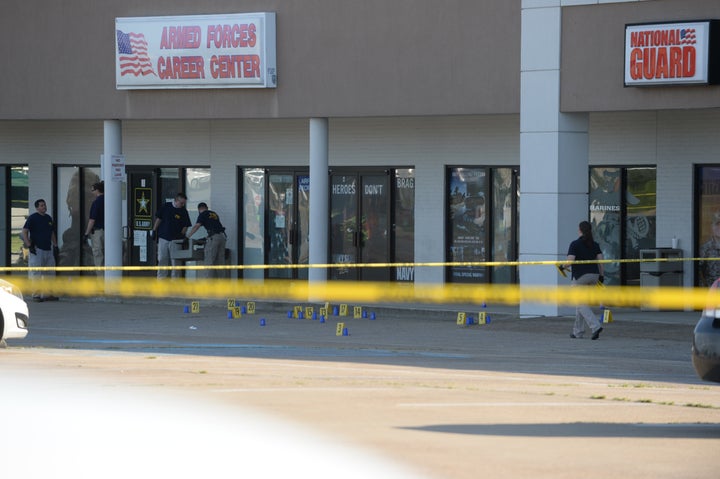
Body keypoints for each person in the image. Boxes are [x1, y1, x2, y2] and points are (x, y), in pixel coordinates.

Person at [563, 220, 604, 340]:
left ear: (580, 230)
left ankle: (595, 326)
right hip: (594, 276)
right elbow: (601, 262)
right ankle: (578, 332)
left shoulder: (575, 244)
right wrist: (601, 277)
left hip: (580, 277)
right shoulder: (595, 244)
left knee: (580, 303)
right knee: (580, 303)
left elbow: (569, 262)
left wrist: (562, 266)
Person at [21, 199, 59, 301]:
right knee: (36, 272)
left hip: (48, 249)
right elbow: (24, 231)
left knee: (50, 273)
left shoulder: (48, 218)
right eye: (41, 205)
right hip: (37, 249)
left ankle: (49, 294)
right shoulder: (32, 218)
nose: (44, 207)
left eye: (44, 205)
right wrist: (29, 245)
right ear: (37, 207)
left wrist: (55, 245)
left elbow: (51, 233)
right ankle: (36, 295)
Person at [150, 192, 191, 279]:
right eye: (181, 203)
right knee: (162, 259)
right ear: (176, 201)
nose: (182, 205)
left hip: (176, 240)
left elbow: (186, 225)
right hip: (163, 238)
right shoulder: (166, 207)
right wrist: (154, 230)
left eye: (184, 203)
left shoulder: (183, 211)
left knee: (176, 262)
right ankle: (161, 280)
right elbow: (159, 219)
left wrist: (182, 235)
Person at [186, 202, 226, 278]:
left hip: (213, 238)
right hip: (222, 237)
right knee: (220, 262)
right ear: (206, 207)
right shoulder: (213, 214)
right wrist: (207, 237)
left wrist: (187, 236)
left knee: (209, 261)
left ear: (199, 209)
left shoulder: (203, 214)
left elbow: (196, 226)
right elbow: (215, 227)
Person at [84, 181, 104, 276]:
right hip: (107, 232)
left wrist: (86, 233)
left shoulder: (96, 202)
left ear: (97, 190)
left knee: (98, 255)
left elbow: (92, 220)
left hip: (98, 231)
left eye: (92, 190)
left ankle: (101, 280)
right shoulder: (109, 200)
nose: (91, 192)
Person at [699, 211, 720, 287]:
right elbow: (698, 272)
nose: (719, 227)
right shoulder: (705, 248)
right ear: (712, 227)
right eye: (717, 224)